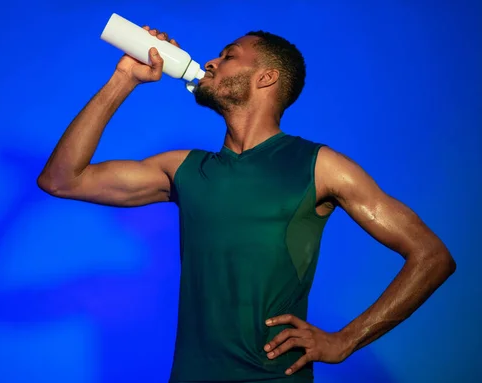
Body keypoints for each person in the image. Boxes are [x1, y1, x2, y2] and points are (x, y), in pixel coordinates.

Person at [37, 26, 456, 383]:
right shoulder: (183, 169)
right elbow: (60, 180)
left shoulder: (321, 167)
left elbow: (431, 257)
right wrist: (124, 79)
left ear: (267, 78)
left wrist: (345, 340)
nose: (212, 62)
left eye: (229, 56)